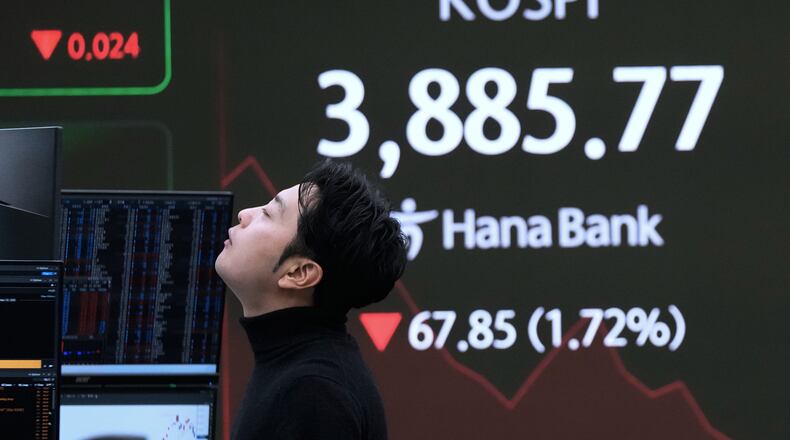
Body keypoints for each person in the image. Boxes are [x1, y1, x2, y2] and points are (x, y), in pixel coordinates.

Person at [215, 159, 408, 440]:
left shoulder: (314, 393)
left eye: (269, 214)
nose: (245, 214)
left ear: (299, 273)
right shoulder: (300, 370)